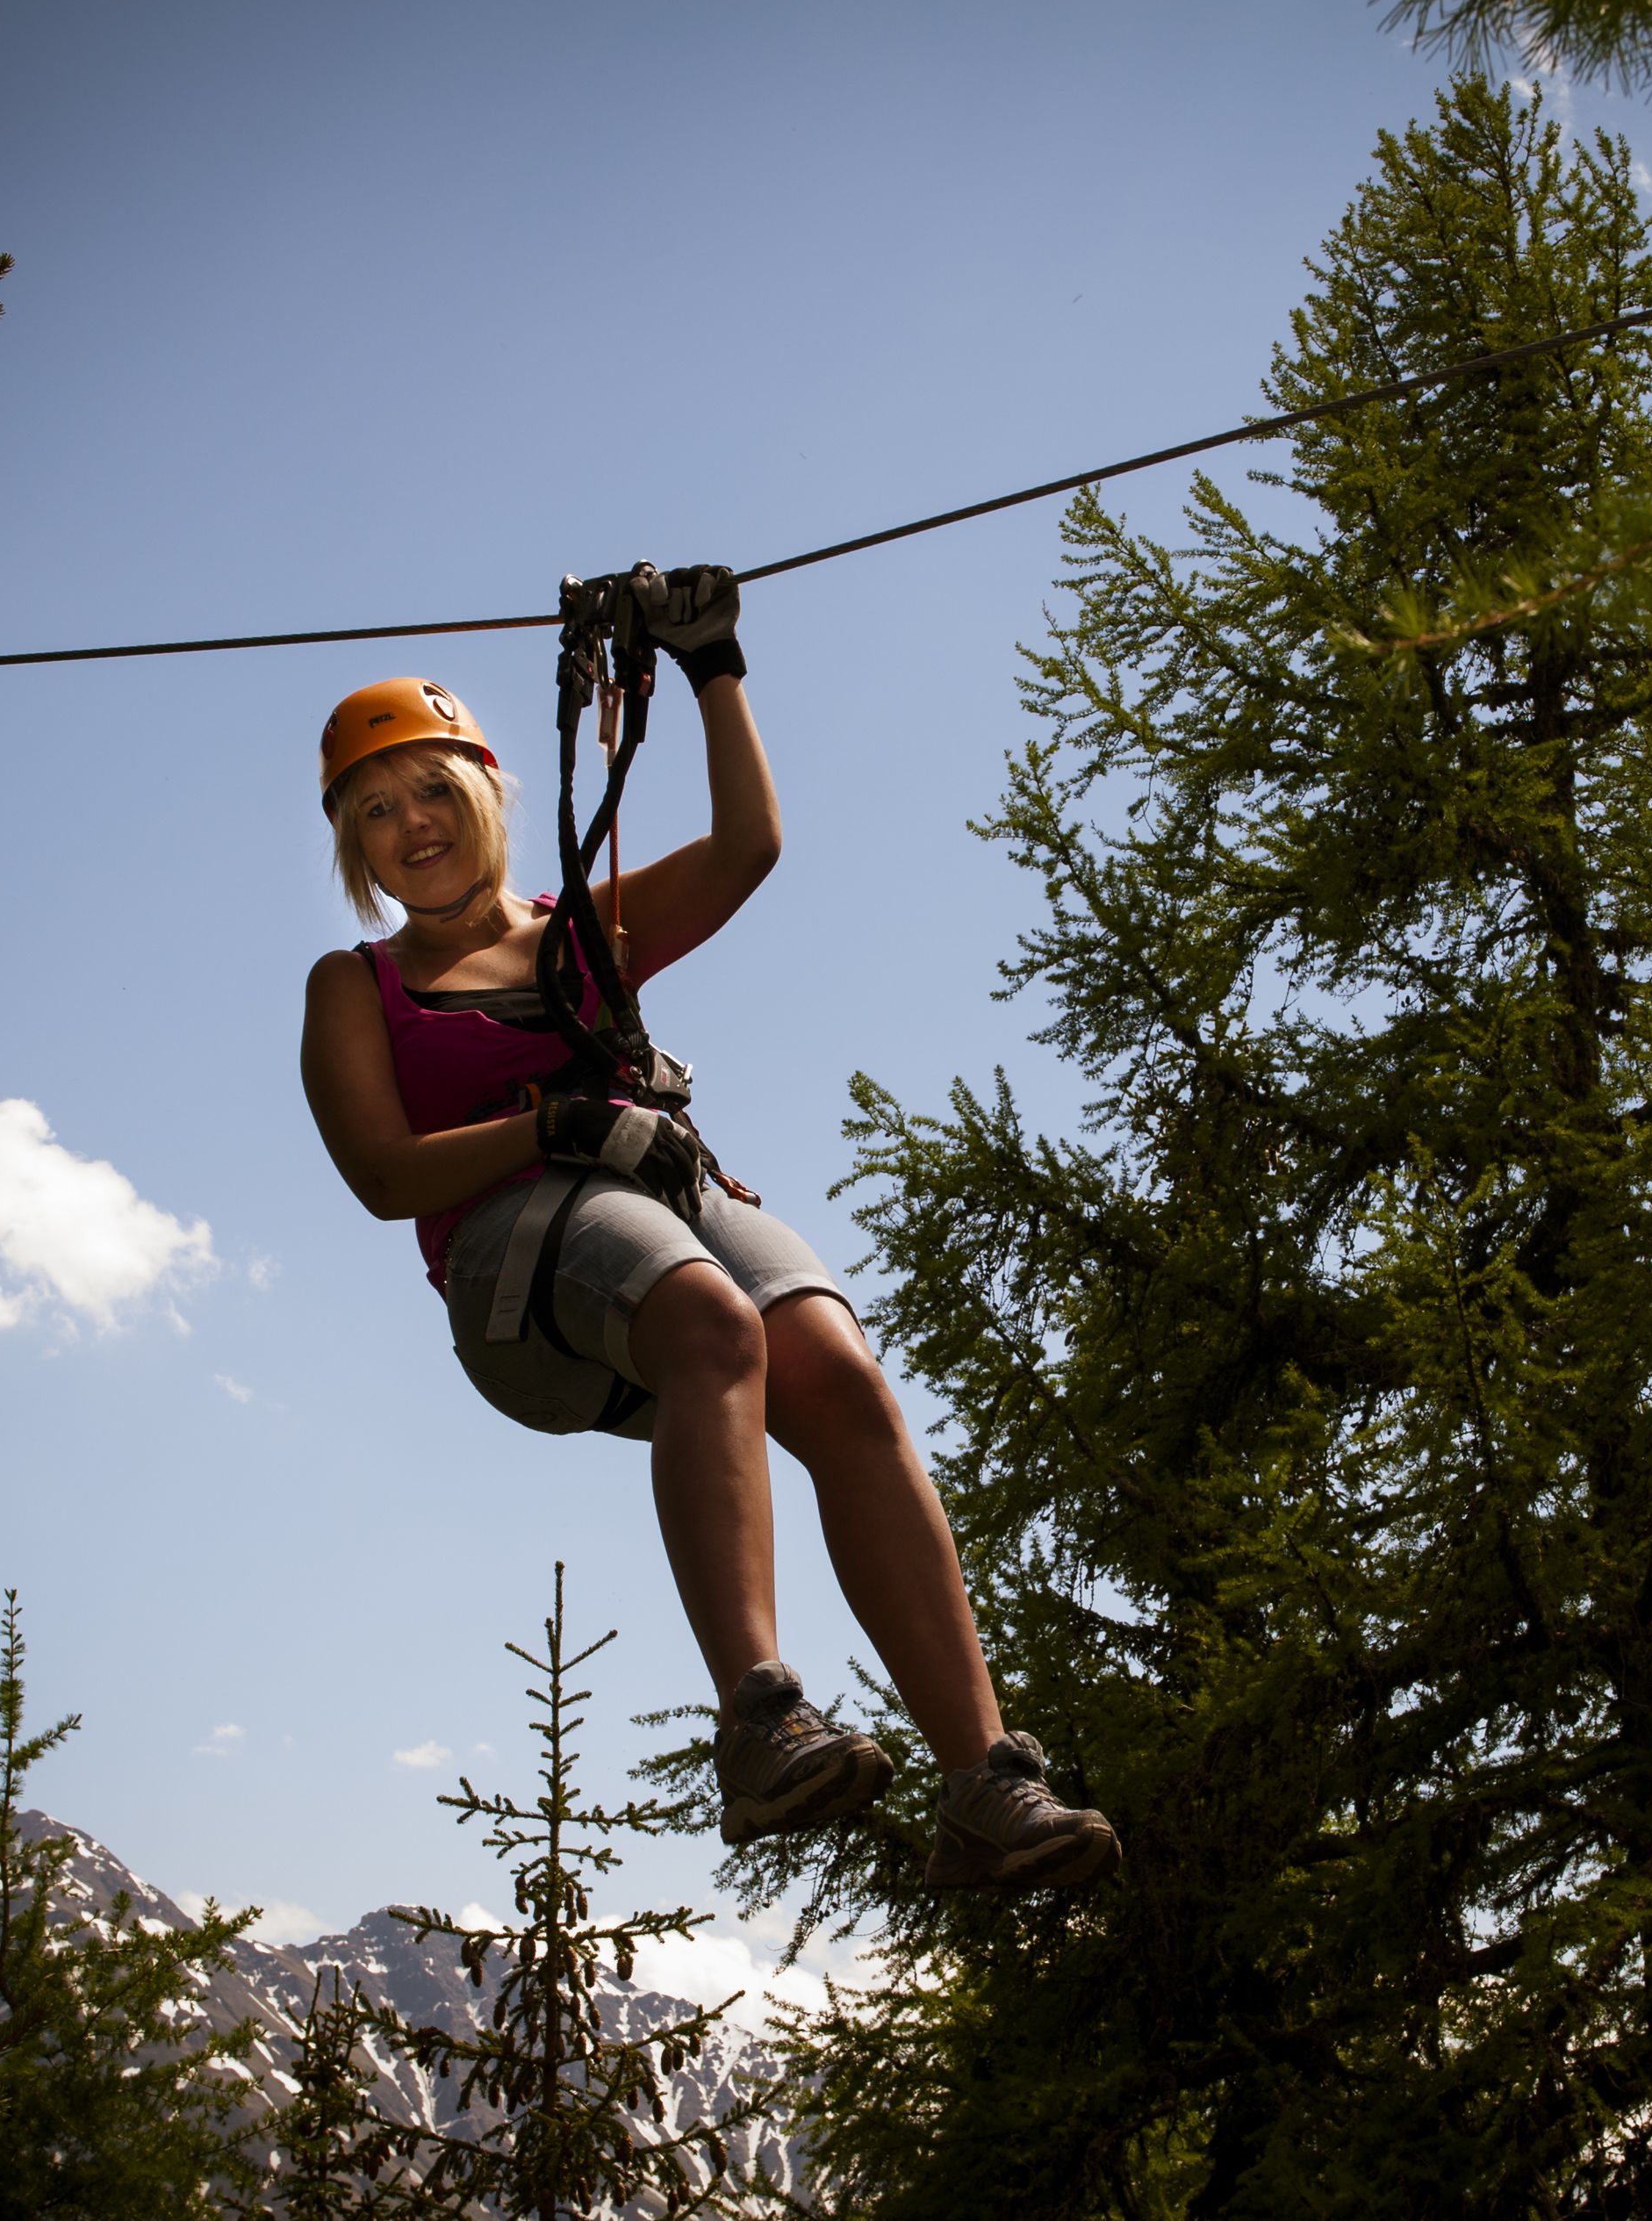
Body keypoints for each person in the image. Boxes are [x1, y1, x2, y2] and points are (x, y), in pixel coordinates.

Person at [297, 570, 1117, 1890]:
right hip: (514, 1258)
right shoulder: (358, 987)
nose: (414, 824)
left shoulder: (586, 932)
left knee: (840, 1378)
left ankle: (987, 1781)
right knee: (710, 1320)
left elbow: (747, 849)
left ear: (489, 794)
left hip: (663, 1195)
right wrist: (554, 1127)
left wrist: (713, 665)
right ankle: (760, 1718)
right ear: (355, 848)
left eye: (434, 789)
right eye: (377, 811)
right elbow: (385, 1172)